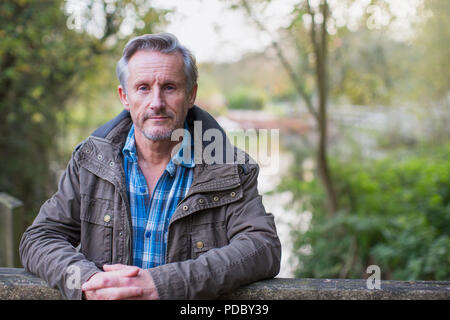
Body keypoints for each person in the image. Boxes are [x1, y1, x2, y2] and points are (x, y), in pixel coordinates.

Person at [19, 32, 281, 300]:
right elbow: (39, 239)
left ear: (191, 95)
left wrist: (165, 284)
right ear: (124, 96)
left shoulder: (230, 168)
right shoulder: (90, 161)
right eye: (143, 88)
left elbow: (262, 248)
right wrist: (88, 281)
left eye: (169, 87)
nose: (156, 103)